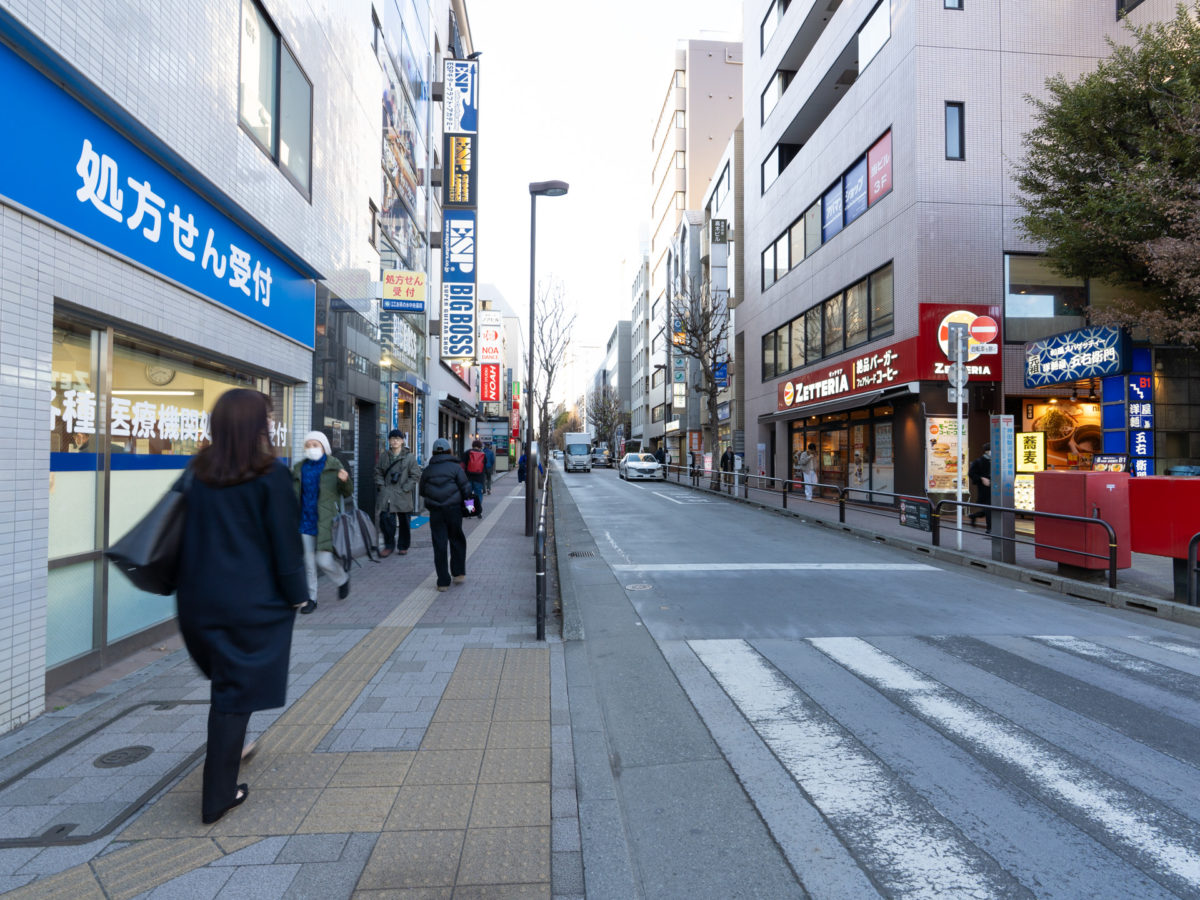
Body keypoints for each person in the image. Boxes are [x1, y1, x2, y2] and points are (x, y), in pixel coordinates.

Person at [176, 389, 309, 825]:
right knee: (234, 694)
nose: (271, 423)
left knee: (230, 684)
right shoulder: (269, 474)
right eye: (267, 416)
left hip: (197, 599)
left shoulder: (197, 470)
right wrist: (297, 594)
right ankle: (218, 796)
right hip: (250, 602)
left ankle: (239, 746)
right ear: (255, 425)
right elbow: (284, 546)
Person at [291, 431, 352, 612]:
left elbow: (347, 492)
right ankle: (311, 598)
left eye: (315, 445)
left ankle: (342, 579)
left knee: (323, 560)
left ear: (324, 447)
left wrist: (345, 480)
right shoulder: (298, 467)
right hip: (304, 520)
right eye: (308, 445)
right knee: (309, 562)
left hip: (326, 521)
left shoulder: (334, 466)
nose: (311, 449)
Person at [419, 438, 470, 592]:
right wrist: (470, 508)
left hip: (436, 512)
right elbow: (466, 489)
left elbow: (422, 491)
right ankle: (458, 573)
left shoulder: (428, 470)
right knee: (457, 540)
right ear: (449, 451)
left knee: (439, 544)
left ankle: (442, 581)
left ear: (434, 452)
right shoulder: (456, 468)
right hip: (454, 510)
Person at [376, 429, 420, 558]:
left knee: (404, 522)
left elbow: (415, 475)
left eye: (397, 438)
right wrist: (381, 486)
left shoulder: (409, 457)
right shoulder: (384, 456)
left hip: (403, 493)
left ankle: (403, 546)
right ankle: (389, 545)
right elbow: (378, 471)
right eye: (392, 438)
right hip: (387, 493)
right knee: (385, 520)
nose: (395, 441)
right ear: (389, 441)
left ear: (402, 441)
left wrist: (406, 488)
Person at [968, 442, 993, 528]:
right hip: (985, 488)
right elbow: (971, 473)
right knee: (990, 507)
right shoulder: (979, 461)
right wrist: (981, 479)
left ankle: (974, 516)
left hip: (996, 488)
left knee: (992, 508)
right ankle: (990, 528)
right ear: (987, 451)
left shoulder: (997, 461)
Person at [461, 439, 487, 507]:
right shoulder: (483, 454)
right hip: (479, 478)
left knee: (468, 494)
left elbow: (462, 465)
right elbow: (485, 466)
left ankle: (470, 510)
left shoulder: (467, 452)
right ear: (480, 446)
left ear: (473, 445)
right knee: (478, 493)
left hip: (468, 477)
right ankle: (478, 511)